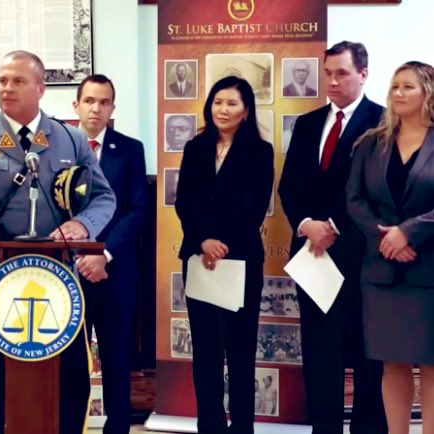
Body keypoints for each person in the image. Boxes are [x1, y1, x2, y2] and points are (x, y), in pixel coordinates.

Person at [0, 50, 116, 434]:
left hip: (60, 280)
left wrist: (82, 224)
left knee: (71, 378)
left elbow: (104, 197)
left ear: (41, 88)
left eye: (18, 81)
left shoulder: (70, 140)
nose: (7, 88)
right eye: (2, 80)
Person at [278, 41, 387, 434]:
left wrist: (335, 228)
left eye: (342, 73)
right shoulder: (308, 124)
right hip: (313, 257)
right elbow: (289, 187)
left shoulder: (383, 122)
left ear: (363, 74)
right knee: (320, 354)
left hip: (362, 258)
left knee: (366, 357)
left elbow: (380, 191)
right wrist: (306, 223)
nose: (333, 81)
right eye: (328, 73)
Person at [175, 76, 273, 434]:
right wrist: (203, 240)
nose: (223, 109)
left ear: (246, 111)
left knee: (240, 350)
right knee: (206, 353)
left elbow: (254, 207)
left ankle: (242, 426)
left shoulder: (260, 152)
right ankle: (211, 426)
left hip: (241, 260)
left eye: (232, 103)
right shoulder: (195, 148)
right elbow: (184, 201)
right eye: (218, 102)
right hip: (200, 260)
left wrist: (222, 242)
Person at [347, 60, 434, 434]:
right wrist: (386, 238)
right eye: (395, 86)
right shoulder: (371, 143)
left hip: (429, 268)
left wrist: (410, 232)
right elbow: (354, 198)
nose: (398, 93)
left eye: (408, 87)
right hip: (381, 271)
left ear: (428, 92)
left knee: (432, 365)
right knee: (391, 363)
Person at [72, 73, 147, 434]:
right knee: (71, 359)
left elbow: (137, 210)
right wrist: (79, 257)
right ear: (76, 105)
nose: (96, 108)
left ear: (112, 108)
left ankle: (117, 428)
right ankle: (70, 425)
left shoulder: (130, 149)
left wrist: (104, 256)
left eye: (104, 102)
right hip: (70, 270)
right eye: (89, 101)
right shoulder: (59, 148)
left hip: (116, 270)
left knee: (117, 358)